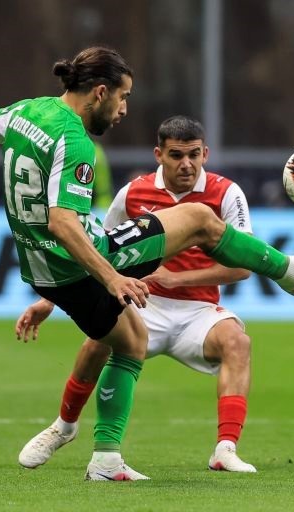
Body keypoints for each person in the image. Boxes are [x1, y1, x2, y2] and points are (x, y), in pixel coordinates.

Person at [0, 46, 294, 481]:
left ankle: (105, 460)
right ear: (100, 93)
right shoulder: (75, 141)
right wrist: (112, 278)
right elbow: (63, 223)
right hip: (80, 261)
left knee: (130, 342)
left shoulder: (26, 111)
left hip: (43, 270)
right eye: (123, 97)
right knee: (198, 219)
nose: (123, 109)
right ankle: (293, 273)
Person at [16, 115, 259, 473]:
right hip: (144, 302)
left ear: (205, 154)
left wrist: (178, 280)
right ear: (159, 155)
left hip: (200, 310)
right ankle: (63, 426)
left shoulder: (226, 193)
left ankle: (225, 449)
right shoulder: (133, 193)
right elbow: (93, 251)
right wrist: (48, 300)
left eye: (194, 154)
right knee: (97, 340)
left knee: (238, 342)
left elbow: (243, 266)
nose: (187, 164)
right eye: (177, 155)